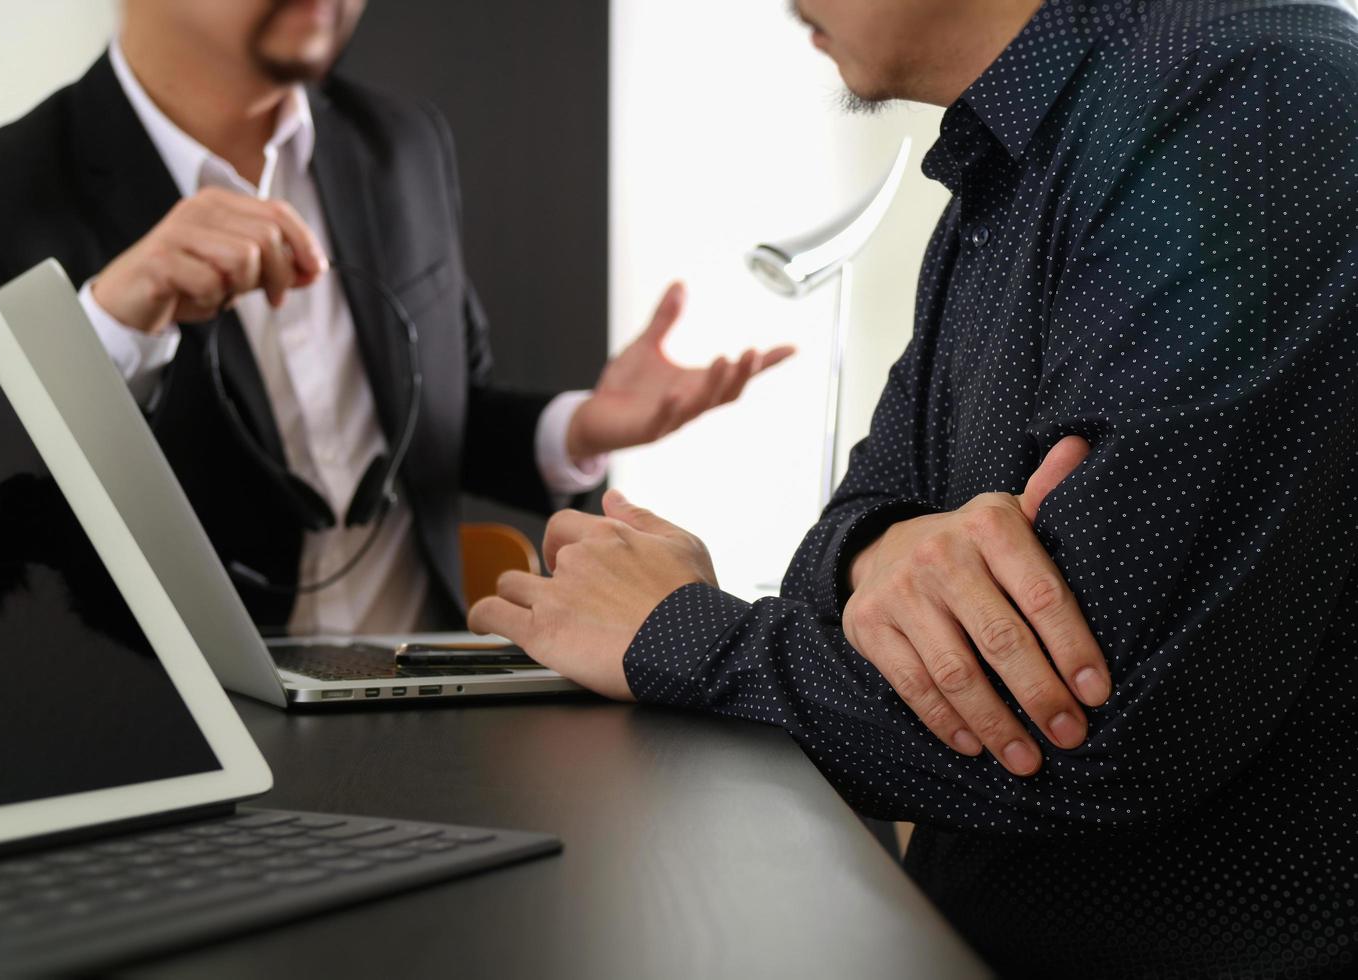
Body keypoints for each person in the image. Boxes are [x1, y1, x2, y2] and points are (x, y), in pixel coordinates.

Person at [469, 0, 1358, 976]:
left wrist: (677, 629)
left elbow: (1086, 731)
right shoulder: (1004, 165)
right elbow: (835, 544)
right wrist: (891, 548)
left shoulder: (1258, 97)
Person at [0, 0, 790, 635]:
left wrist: (578, 425)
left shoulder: (403, 144)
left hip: (438, 705)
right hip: (181, 748)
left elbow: (445, 421)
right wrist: (109, 326)